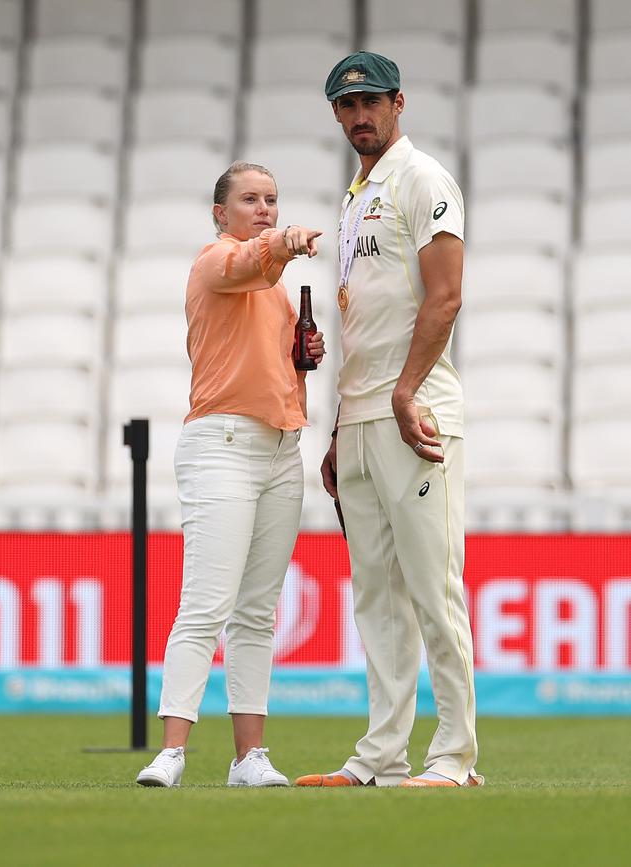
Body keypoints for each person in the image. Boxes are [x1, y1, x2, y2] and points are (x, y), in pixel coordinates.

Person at [295, 52, 483, 789]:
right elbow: (359, 322)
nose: (358, 116)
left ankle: (454, 757)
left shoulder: (422, 179)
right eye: (346, 106)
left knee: (433, 587)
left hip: (418, 411)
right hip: (365, 418)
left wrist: (405, 394)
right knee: (375, 593)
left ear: (398, 102)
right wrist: (342, 425)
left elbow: (445, 297)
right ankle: (379, 756)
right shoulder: (355, 196)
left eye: (370, 101)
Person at [136, 160, 325, 788]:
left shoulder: (273, 286)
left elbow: (270, 367)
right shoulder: (214, 261)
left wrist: (303, 359)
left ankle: (249, 757)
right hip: (222, 442)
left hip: (278, 447)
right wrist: (285, 238)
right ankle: (171, 751)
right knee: (206, 603)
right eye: (250, 199)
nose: (263, 208)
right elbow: (248, 263)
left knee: (257, 611)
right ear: (222, 214)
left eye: (271, 199)